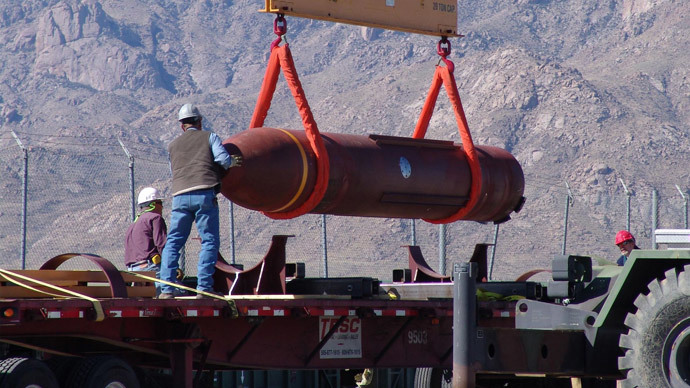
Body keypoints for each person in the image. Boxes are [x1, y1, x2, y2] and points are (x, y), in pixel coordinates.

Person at [158, 104, 242, 299]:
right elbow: (223, 160)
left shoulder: (172, 146)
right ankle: (203, 289)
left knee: (173, 242)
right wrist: (232, 162)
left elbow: (174, 172)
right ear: (200, 121)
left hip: (179, 196)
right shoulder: (209, 137)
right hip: (204, 194)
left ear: (182, 126)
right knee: (209, 240)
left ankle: (167, 289)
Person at [124, 187, 167, 295]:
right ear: (154, 204)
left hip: (133, 271)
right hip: (151, 268)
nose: (162, 207)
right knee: (177, 293)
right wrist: (172, 266)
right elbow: (162, 245)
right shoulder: (155, 218)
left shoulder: (133, 224)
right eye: (160, 203)